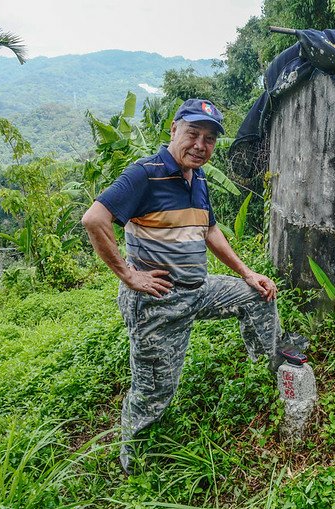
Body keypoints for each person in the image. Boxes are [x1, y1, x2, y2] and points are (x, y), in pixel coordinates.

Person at [81, 98, 306, 474]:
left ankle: (268, 362)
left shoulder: (197, 177)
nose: (201, 145)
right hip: (159, 302)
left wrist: (248, 273)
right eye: (193, 134)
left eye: (209, 138)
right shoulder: (144, 174)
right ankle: (133, 463)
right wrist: (129, 275)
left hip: (197, 289)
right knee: (154, 390)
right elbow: (94, 219)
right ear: (174, 130)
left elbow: (210, 230)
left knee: (257, 296)